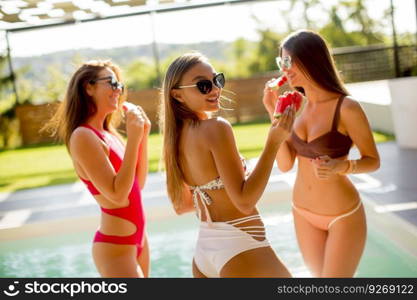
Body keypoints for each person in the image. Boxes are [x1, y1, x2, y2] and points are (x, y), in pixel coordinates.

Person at [159, 52, 294, 278]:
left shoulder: (174, 140)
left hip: (204, 253)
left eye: (217, 80)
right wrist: (274, 142)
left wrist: (219, 188)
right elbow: (244, 201)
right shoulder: (216, 128)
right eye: (203, 85)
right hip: (242, 247)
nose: (214, 89)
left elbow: (181, 205)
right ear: (177, 95)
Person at [262, 30, 380, 277]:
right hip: (302, 212)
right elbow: (285, 164)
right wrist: (273, 111)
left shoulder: (346, 108)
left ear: (311, 60)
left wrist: (342, 167)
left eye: (288, 62)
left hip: (342, 216)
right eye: (280, 62)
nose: (284, 69)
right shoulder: (298, 107)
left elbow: (373, 160)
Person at [43, 60, 151, 277]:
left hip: (138, 240)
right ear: (88, 87)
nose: (117, 90)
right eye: (111, 82)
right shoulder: (83, 136)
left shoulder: (109, 134)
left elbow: (136, 186)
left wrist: (143, 137)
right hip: (115, 248)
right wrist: (134, 138)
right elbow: (118, 197)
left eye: (119, 85)